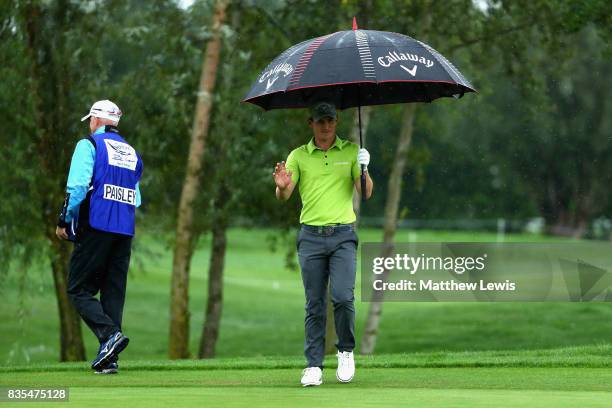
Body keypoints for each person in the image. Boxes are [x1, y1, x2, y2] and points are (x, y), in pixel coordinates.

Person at [273, 101, 373, 387]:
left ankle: (345, 350)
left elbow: (364, 193)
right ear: (311, 124)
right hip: (311, 237)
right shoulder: (298, 156)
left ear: (337, 121)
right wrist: (281, 186)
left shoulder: (352, 151)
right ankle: (314, 365)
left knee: (342, 297)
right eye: (320, 122)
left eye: (329, 121)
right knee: (314, 303)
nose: (325, 126)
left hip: (343, 235)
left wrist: (365, 168)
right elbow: (285, 195)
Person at [56, 100, 143, 374]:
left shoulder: (89, 145)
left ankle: (108, 335)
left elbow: (78, 187)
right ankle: (110, 359)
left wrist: (63, 220)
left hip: (96, 225)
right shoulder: (132, 153)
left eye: (90, 121)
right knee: (112, 293)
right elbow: (136, 199)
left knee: (77, 289)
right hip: (124, 230)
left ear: (95, 121)